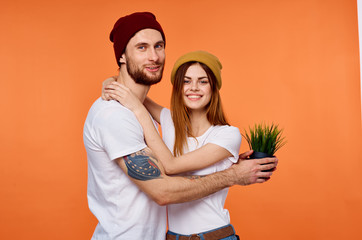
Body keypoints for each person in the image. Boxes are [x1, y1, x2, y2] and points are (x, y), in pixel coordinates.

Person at [84, 12, 278, 240]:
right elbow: (163, 189)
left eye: (159, 46)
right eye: (142, 48)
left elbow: (142, 106)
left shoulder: (140, 112)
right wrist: (232, 175)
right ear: (122, 57)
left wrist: (114, 83)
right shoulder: (116, 115)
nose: (154, 56)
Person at [103, 51, 259, 240]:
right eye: (186, 81)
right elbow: (132, 93)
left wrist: (138, 109)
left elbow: (171, 165)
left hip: (215, 236)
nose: (193, 88)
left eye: (203, 81)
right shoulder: (170, 120)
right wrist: (109, 83)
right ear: (178, 87)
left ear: (214, 87)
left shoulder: (227, 134)